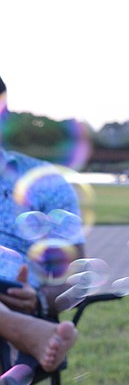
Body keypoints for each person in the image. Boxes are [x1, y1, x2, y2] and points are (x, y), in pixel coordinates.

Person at [0, 75, 85, 356]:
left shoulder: (44, 181)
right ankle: (16, 328)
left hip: (22, 310)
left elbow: (78, 279)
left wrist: (39, 300)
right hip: (24, 335)